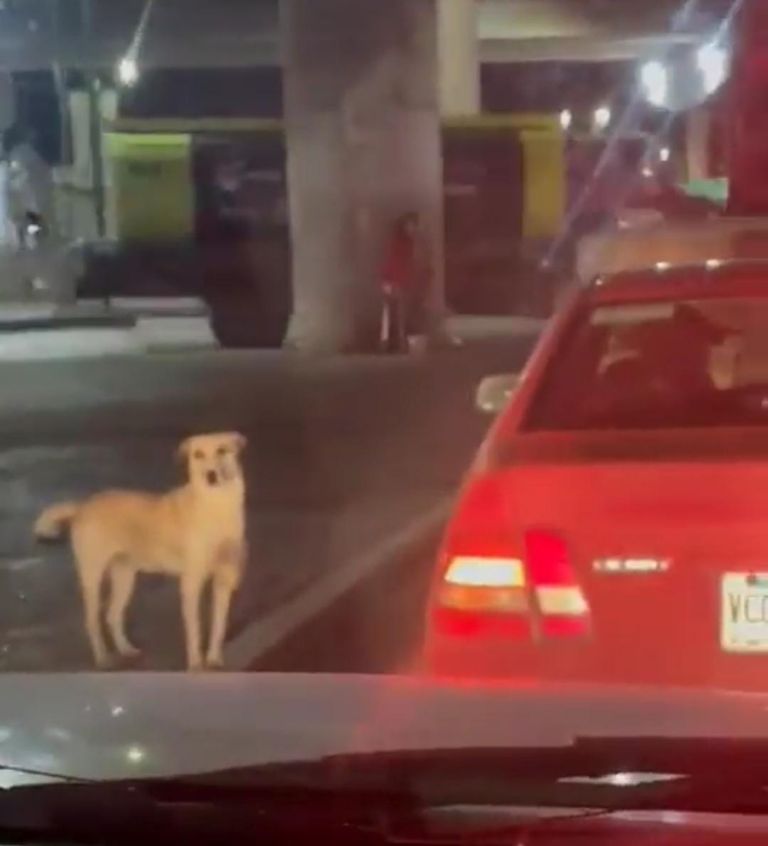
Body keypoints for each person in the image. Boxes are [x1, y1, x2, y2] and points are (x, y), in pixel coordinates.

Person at [379, 212, 429, 353]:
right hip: (394, 279)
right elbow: (394, 261)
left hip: (398, 279)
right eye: (411, 225)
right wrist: (389, 280)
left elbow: (406, 262)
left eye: (414, 226)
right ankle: (392, 342)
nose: (413, 229)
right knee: (394, 312)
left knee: (397, 312)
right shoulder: (400, 242)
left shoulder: (407, 242)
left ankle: (394, 342)